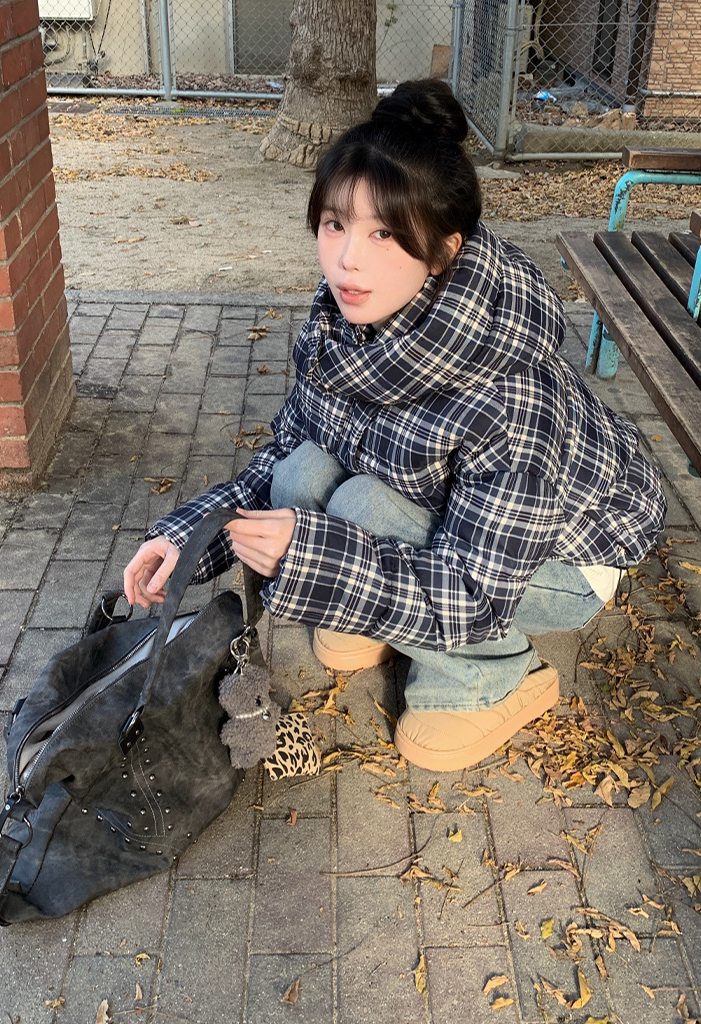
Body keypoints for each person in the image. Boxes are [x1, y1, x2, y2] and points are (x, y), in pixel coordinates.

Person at [124, 78, 666, 773]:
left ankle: (500, 676)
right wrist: (189, 541)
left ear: (442, 251)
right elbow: (284, 454)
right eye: (335, 224)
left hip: (564, 559)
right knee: (304, 471)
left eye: (384, 233)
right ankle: (377, 614)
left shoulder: (507, 398)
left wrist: (314, 557)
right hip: (454, 524)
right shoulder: (346, 322)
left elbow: (475, 594)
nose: (348, 259)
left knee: (354, 506)